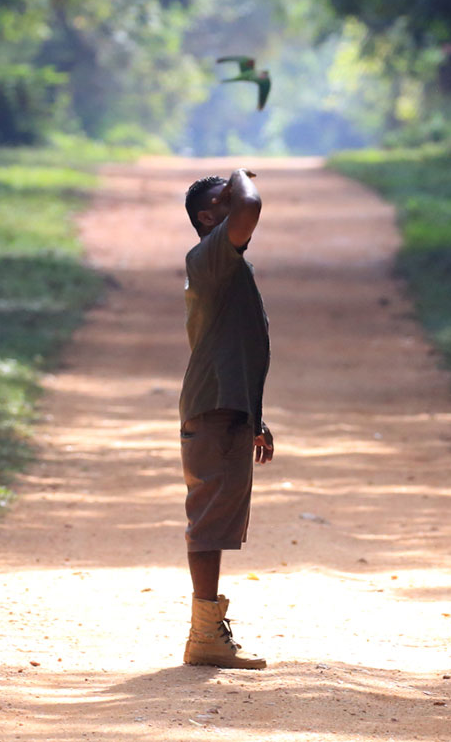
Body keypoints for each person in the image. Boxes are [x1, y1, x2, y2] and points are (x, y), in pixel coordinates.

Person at [180, 167, 274, 669]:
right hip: (213, 410)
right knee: (210, 521)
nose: (236, 201)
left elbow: (237, 348)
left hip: (225, 409)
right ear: (208, 217)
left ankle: (208, 631)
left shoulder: (224, 262)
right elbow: (251, 206)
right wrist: (241, 174)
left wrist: (254, 417)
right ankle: (204, 637)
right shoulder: (211, 254)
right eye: (224, 199)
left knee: (217, 519)